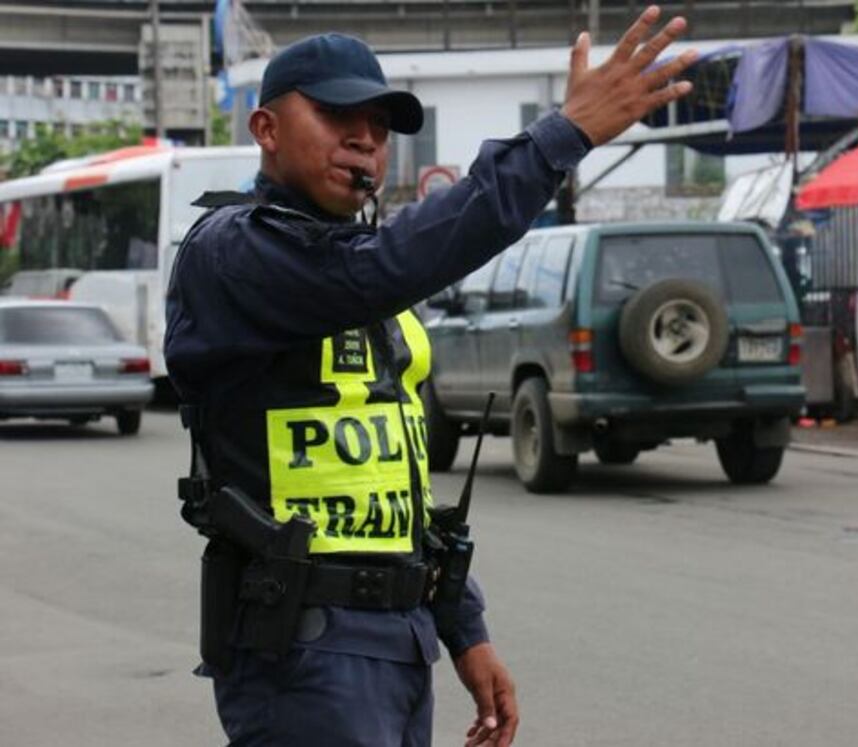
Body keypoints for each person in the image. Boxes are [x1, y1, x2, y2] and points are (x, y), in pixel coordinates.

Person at [164, 12, 696, 747]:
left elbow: (398, 480)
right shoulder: (236, 253)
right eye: (335, 115)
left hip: (396, 640)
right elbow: (384, 266)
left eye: (379, 126)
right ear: (266, 129)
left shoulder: (364, 278)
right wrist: (562, 136)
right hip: (302, 649)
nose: (365, 139)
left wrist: (463, 628)